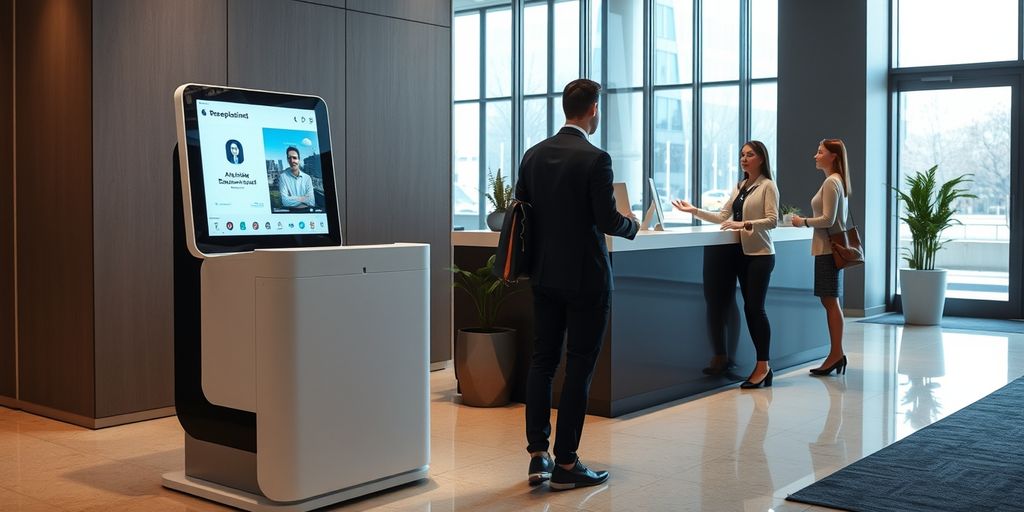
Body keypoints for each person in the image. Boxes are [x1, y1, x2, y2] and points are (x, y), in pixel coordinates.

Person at [516, 78, 639, 491]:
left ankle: (539, 456)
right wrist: (632, 225)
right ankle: (567, 463)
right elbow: (607, 220)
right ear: (592, 111)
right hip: (587, 278)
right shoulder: (596, 158)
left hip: (544, 275)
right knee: (579, 367)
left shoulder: (533, 156)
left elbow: (524, 215)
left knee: (543, 361)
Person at [672, 141, 779, 389]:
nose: (744, 159)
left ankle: (763, 366)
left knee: (755, 309)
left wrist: (744, 225)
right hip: (741, 255)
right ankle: (761, 367)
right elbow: (722, 217)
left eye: (749, 155)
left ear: (761, 158)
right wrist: (694, 210)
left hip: (761, 255)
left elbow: (772, 220)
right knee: (747, 308)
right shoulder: (741, 186)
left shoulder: (767, 186)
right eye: (742, 154)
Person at [790, 139, 851, 376]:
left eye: (820, 152)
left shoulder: (831, 182)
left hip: (828, 249)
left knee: (830, 301)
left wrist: (801, 222)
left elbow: (827, 219)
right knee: (830, 301)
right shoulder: (836, 182)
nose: (815, 156)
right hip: (827, 248)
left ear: (833, 156)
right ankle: (836, 353)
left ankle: (836, 354)